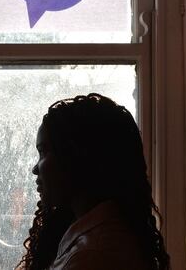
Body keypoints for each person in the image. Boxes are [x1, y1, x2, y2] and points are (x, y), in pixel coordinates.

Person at [18, 93, 170, 270]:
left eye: (43, 151)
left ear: (76, 157)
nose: (35, 169)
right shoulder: (101, 238)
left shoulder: (90, 257)